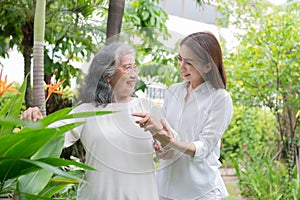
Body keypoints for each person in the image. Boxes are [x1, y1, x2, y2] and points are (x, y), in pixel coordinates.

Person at [20, 42, 161, 200]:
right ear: (108, 75)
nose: (134, 74)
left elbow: (172, 150)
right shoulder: (86, 112)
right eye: (127, 68)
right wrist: (34, 120)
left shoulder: (147, 108)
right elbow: (49, 137)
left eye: (134, 68)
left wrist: (159, 135)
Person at [132, 32, 233, 200]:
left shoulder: (220, 98)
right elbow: (167, 134)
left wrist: (170, 142)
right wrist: (158, 142)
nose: (181, 66)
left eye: (189, 62)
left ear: (208, 66)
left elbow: (203, 148)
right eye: (180, 59)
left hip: (199, 191)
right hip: (164, 187)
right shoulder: (174, 91)